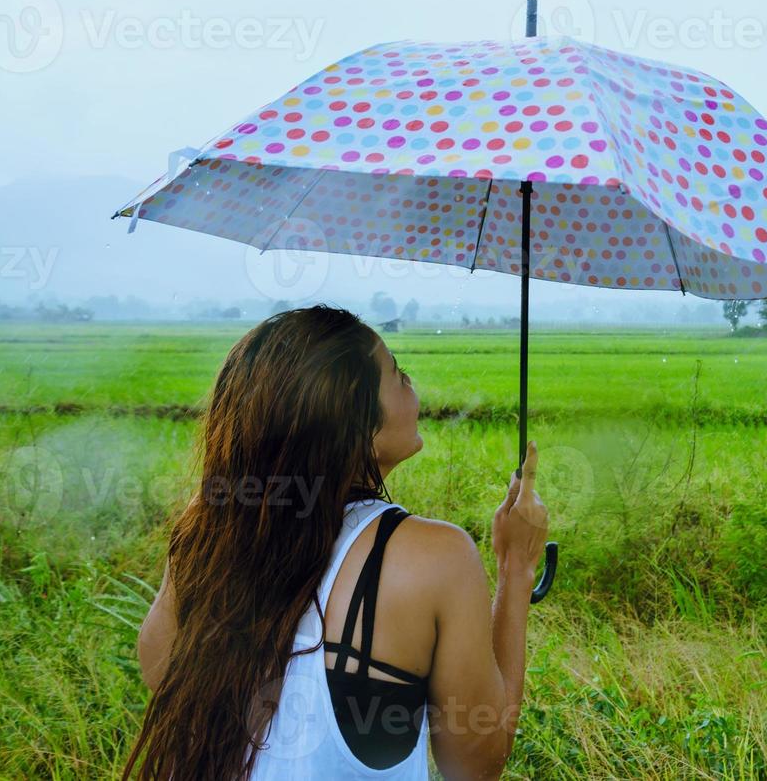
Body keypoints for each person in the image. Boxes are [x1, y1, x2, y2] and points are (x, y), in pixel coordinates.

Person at [125, 305, 549, 780]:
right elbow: (476, 762)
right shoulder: (433, 557)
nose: (413, 389)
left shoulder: (210, 526)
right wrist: (516, 569)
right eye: (399, 375)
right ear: (353, 420)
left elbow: (160, 671)